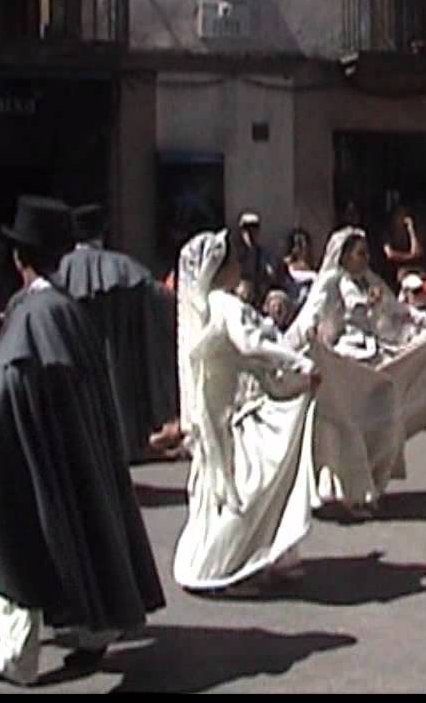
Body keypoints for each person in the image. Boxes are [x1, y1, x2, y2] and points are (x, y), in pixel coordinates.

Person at [0, 196, 165, 687]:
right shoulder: (67, 311)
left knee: (9, 543)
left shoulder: (35, 313)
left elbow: (7, 388)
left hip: (29, 455)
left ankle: (15, 657)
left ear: (20, 259)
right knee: (79, 535)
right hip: (72, 455)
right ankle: (87, 634)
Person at [172, 229, 320, 591]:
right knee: (249, 489)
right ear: (220, 270)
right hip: (232, 415)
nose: (240, 266)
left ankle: (225, 561)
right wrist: (299, 364)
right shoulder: (224, 304)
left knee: (222, 492)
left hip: (220, 413)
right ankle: (223, 566)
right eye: (234, 261)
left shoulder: (203, 305)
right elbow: (250, 344)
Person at [286, 227, 426, 518]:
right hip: (347, 361)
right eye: (360, 253)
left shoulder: (371, 281)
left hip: (375, 358)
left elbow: (399, 311)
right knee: (350, 429)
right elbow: (312, 315)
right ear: (344, 256)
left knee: (383, 422)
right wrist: (309, 338)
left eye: (367, 252)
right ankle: (353, 493)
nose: (366, 258)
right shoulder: (332, 282)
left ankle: (372, 484)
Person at [54, 203, 179, 464]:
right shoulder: (122, 267)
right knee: (118, 397)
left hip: (74, 354)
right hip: (118, 356)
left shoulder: (60, 271)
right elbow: (161, 299)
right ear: (103, 231)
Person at [236, 211, 276, 306]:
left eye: (253, 229)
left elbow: (271, 274)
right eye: (246, 229)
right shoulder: (235, 254)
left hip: (258, 298)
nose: (250, 233)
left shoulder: (262, 253)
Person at [280, 227, 317, 309]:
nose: (305, 248)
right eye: (300, 245)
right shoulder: (286, 266)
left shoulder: (311, 266)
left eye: (306, 244)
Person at [383, 206, 423, 280]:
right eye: (399, 215)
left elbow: (417, 252)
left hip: (412, 267)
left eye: (404, 215)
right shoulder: (388, 233)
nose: (401, 219)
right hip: (395, 269)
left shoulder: (412, 232)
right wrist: (410, 256)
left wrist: (411, 230)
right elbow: (390, 254)